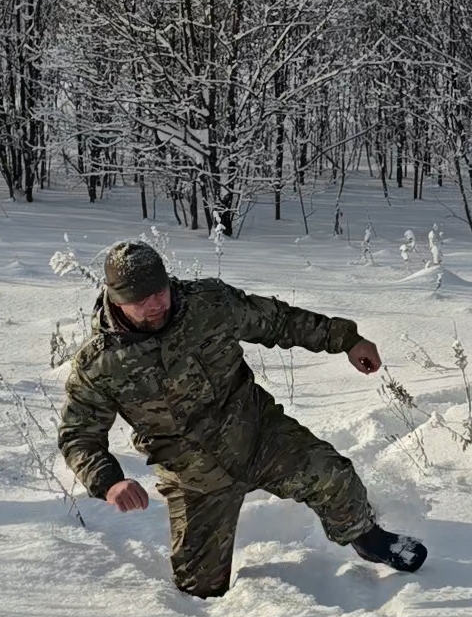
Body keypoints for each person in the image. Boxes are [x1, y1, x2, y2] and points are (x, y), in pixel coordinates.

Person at [58, 241, 426, 597]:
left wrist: (345, 339)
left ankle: (367, 538)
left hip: (258, 434)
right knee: (199, 590)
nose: (156, 304)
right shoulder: (99, 365)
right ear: (117, 300)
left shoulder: (208, 304)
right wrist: (108, 482)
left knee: (333, 475)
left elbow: (277, 321)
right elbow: (78, 435)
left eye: (160, 291)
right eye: (140, 300)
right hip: (195, 475)